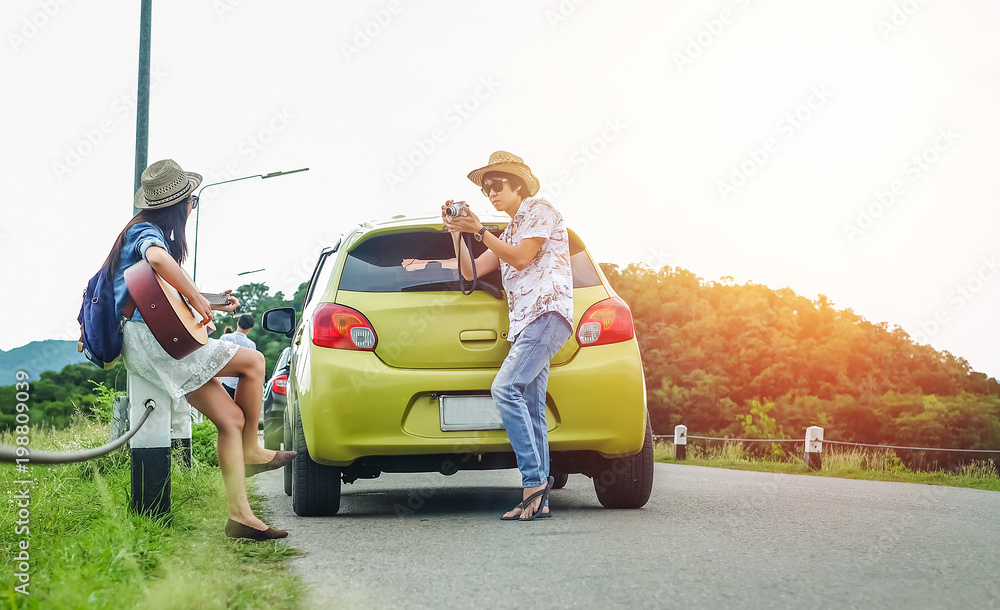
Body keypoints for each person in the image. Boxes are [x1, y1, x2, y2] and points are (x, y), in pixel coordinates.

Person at [107, 159, 294, 540]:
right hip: (155, 343)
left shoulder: (144, 230)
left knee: (231, 418)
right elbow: (157, 262)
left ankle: (240, 517)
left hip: (155, 340)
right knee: (255, 361)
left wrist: (211, 301)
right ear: (179, 205)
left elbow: (162, 295)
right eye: (192, 200)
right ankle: (253, 452)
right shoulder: (145, 233)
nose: (193, 205)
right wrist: (195, 294)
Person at [443, 151, 573, 521]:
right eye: (485, 191)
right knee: (531, 407)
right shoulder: (510, 230)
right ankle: (541, 500)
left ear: (516, 184)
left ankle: (532, 484)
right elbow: (469, 273)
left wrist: (479, 229)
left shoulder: (540, 209)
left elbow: (520, 259)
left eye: (496, 186)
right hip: (525, 325)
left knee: (503, 389)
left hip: (546, 313)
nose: (491, 194)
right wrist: (458, 234)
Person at [219, 315, 257, 400]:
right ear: (249, 329)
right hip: (242, 385)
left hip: (225, 382)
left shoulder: (225, 338)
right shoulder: (251, 345)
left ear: (237, 323)